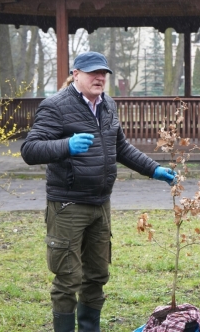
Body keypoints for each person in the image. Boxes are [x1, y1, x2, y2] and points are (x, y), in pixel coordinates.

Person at [21, 51, 176, 332]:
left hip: (100, 204)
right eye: (93, 72)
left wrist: (153, 169)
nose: (100, 77)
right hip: (68, 205)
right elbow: (29, 150)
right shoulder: (55, 106)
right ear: (76, 74)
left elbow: (122, 148)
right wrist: (65, 146)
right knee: (68, 278)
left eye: (103, 73)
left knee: (97, 275)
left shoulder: (108, 105)